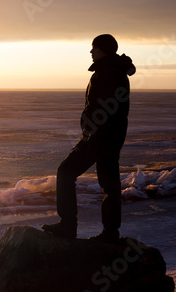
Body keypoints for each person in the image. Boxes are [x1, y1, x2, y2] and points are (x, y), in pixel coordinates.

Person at [42, 34, 136, 243]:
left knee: (65, 172)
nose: (91, 52)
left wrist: (89, 133)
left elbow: (103, 109)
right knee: (109, 185)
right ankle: (110, 234)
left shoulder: (108, 73)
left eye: (94, 48)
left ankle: (68, 226)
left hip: (99, 138)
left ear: (104, 50)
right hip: (111, 138)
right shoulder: (115, 70)